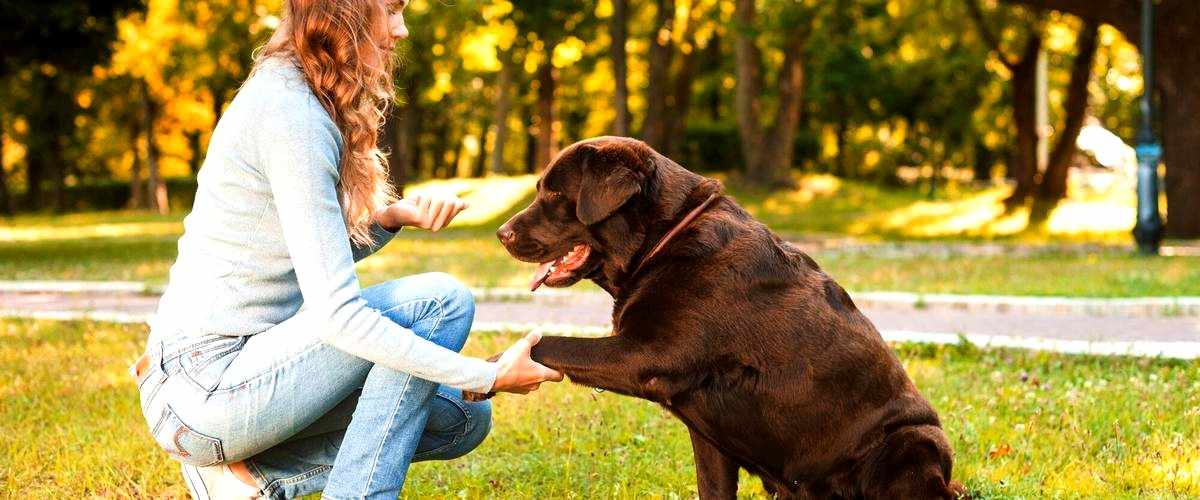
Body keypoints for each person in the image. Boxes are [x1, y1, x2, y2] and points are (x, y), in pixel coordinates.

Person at [129, 0, 563, 498]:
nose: (400, 30)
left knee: (461, 418)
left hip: (241, 380)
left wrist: (390, 218)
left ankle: (249, 477)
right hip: (204, 386)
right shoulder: (291, 114)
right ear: (345, 12)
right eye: (392, 10)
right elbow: (338, 316)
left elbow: (294, 251)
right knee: (440, 302)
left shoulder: (300, 96)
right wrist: (485, 373)